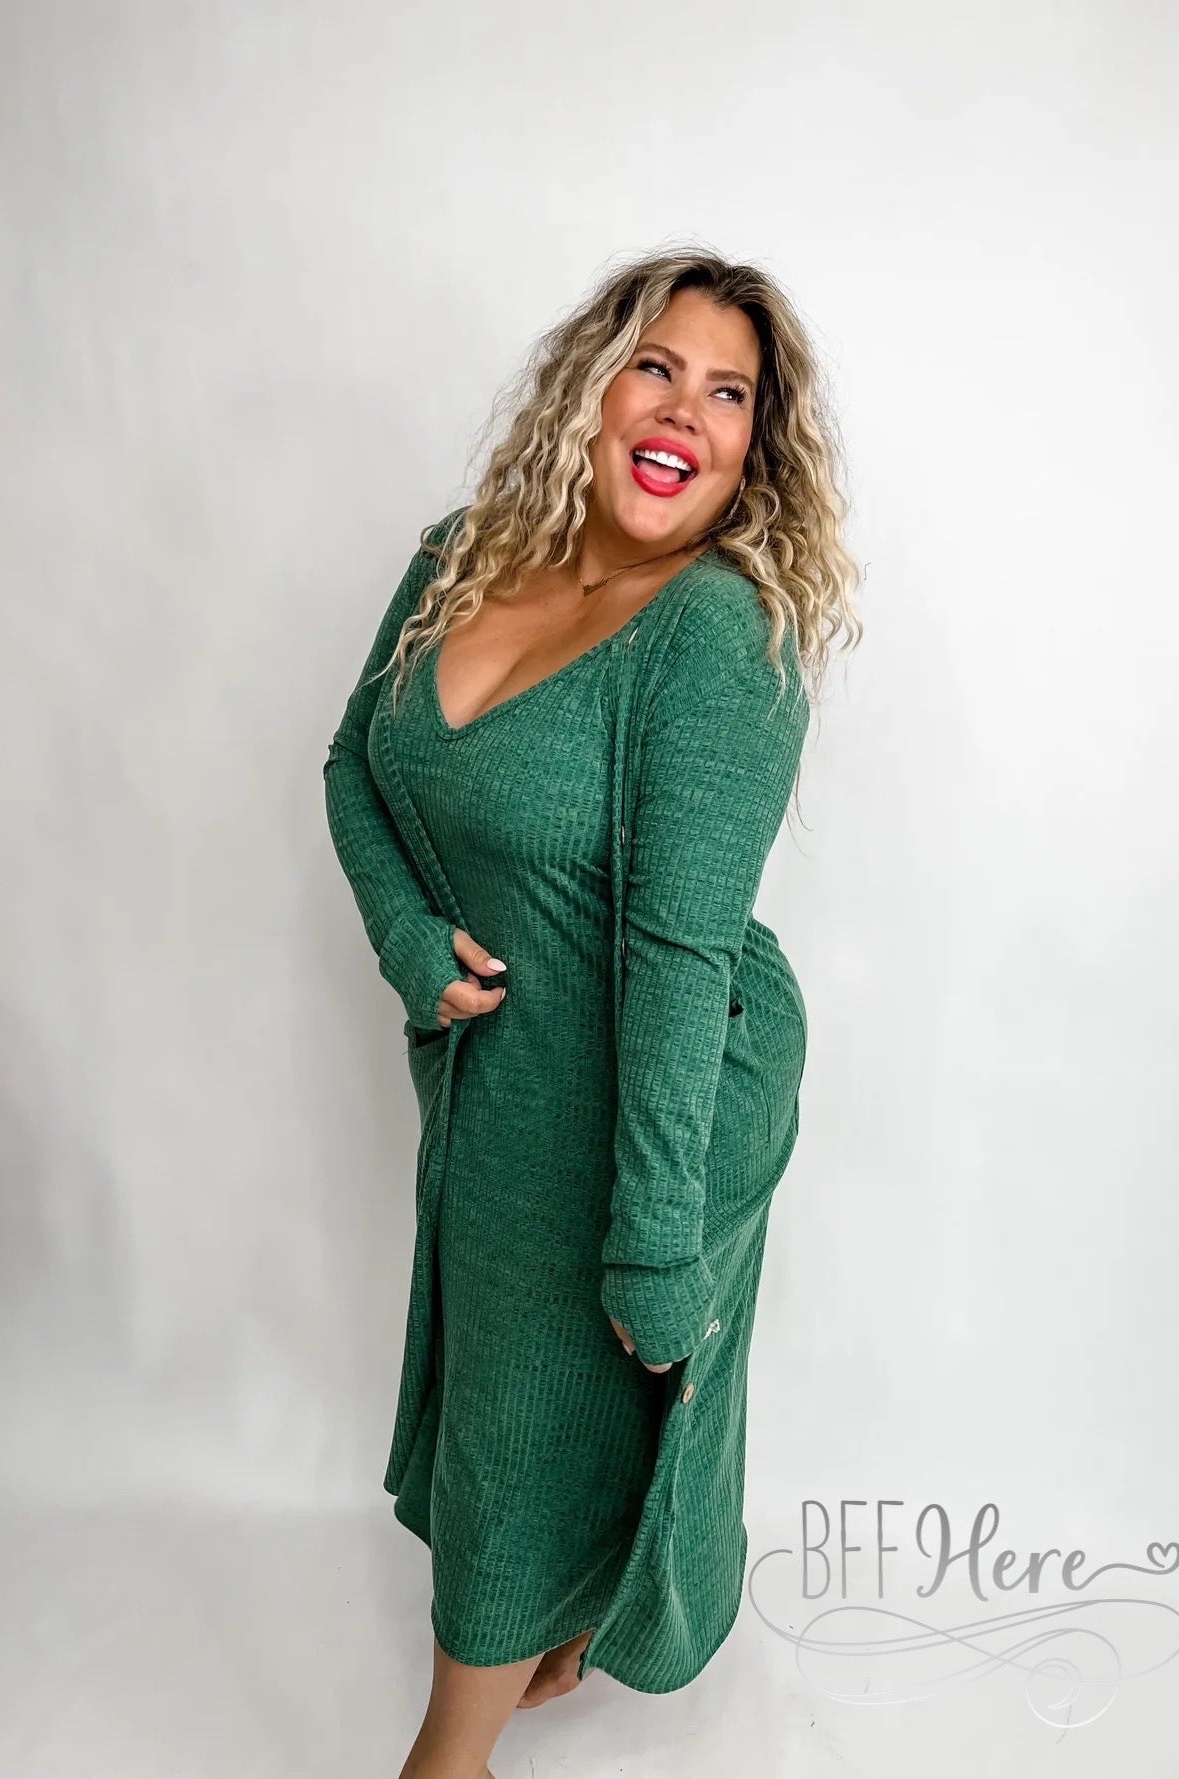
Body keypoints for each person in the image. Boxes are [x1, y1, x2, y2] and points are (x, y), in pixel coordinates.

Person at [323, 247, 861, 1779]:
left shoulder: (720, 637)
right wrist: (408, 938)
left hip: (673, 1074)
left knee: (532, 1405)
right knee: (532, 1399)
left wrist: (653, 1241)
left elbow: (681, 959)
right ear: (595, 385)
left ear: (756, 448)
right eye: (657, 367)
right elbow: (353, 766)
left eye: (730, 393)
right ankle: (557, 1616)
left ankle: (446, 1760)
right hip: (510, 1067)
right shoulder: (464, 556)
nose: (685, 408)